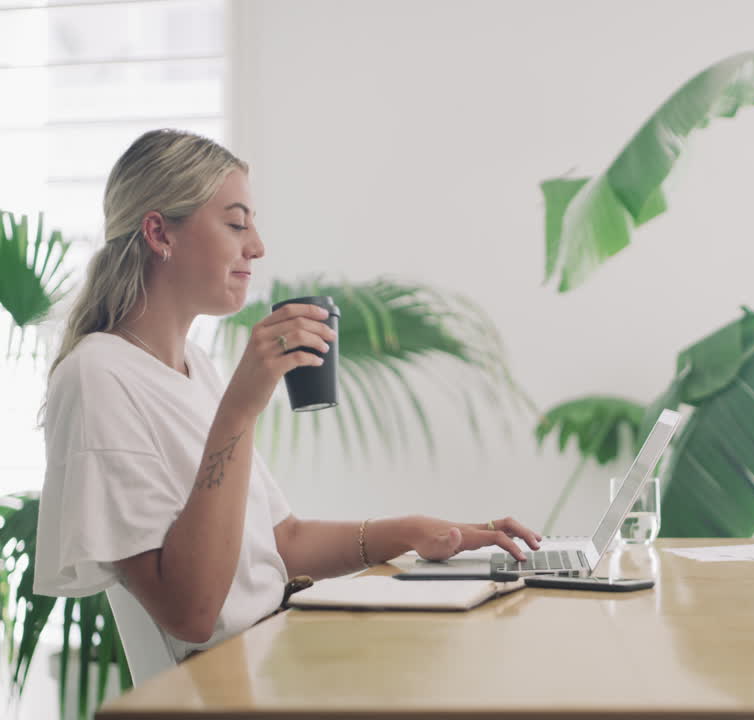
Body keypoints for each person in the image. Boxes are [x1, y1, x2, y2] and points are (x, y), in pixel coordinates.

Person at [33, 129, 541, 662]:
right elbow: (192, 614)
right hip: (223, 684)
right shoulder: (97, 376)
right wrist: (240, 408)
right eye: (235, 223)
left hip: (276, 650)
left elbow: (284, 541)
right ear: (160, 233)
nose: (256, 246)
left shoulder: (196, 369)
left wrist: (417, 533)